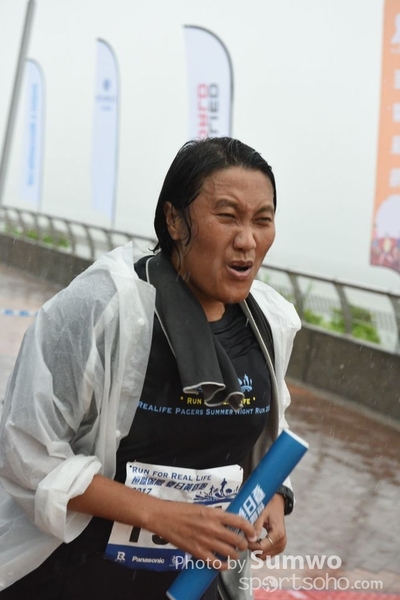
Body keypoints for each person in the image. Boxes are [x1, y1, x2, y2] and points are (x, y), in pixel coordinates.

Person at [0, 137, 301, 599]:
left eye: (262, 220)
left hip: (191, 584)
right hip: (72, 576)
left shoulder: (272, 322)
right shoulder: (104, 307)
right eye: (227, 216)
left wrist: (275, 495)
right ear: (174, 219)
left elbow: (264, 431)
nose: (247, 240)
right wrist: (158, 515)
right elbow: (25, 451)